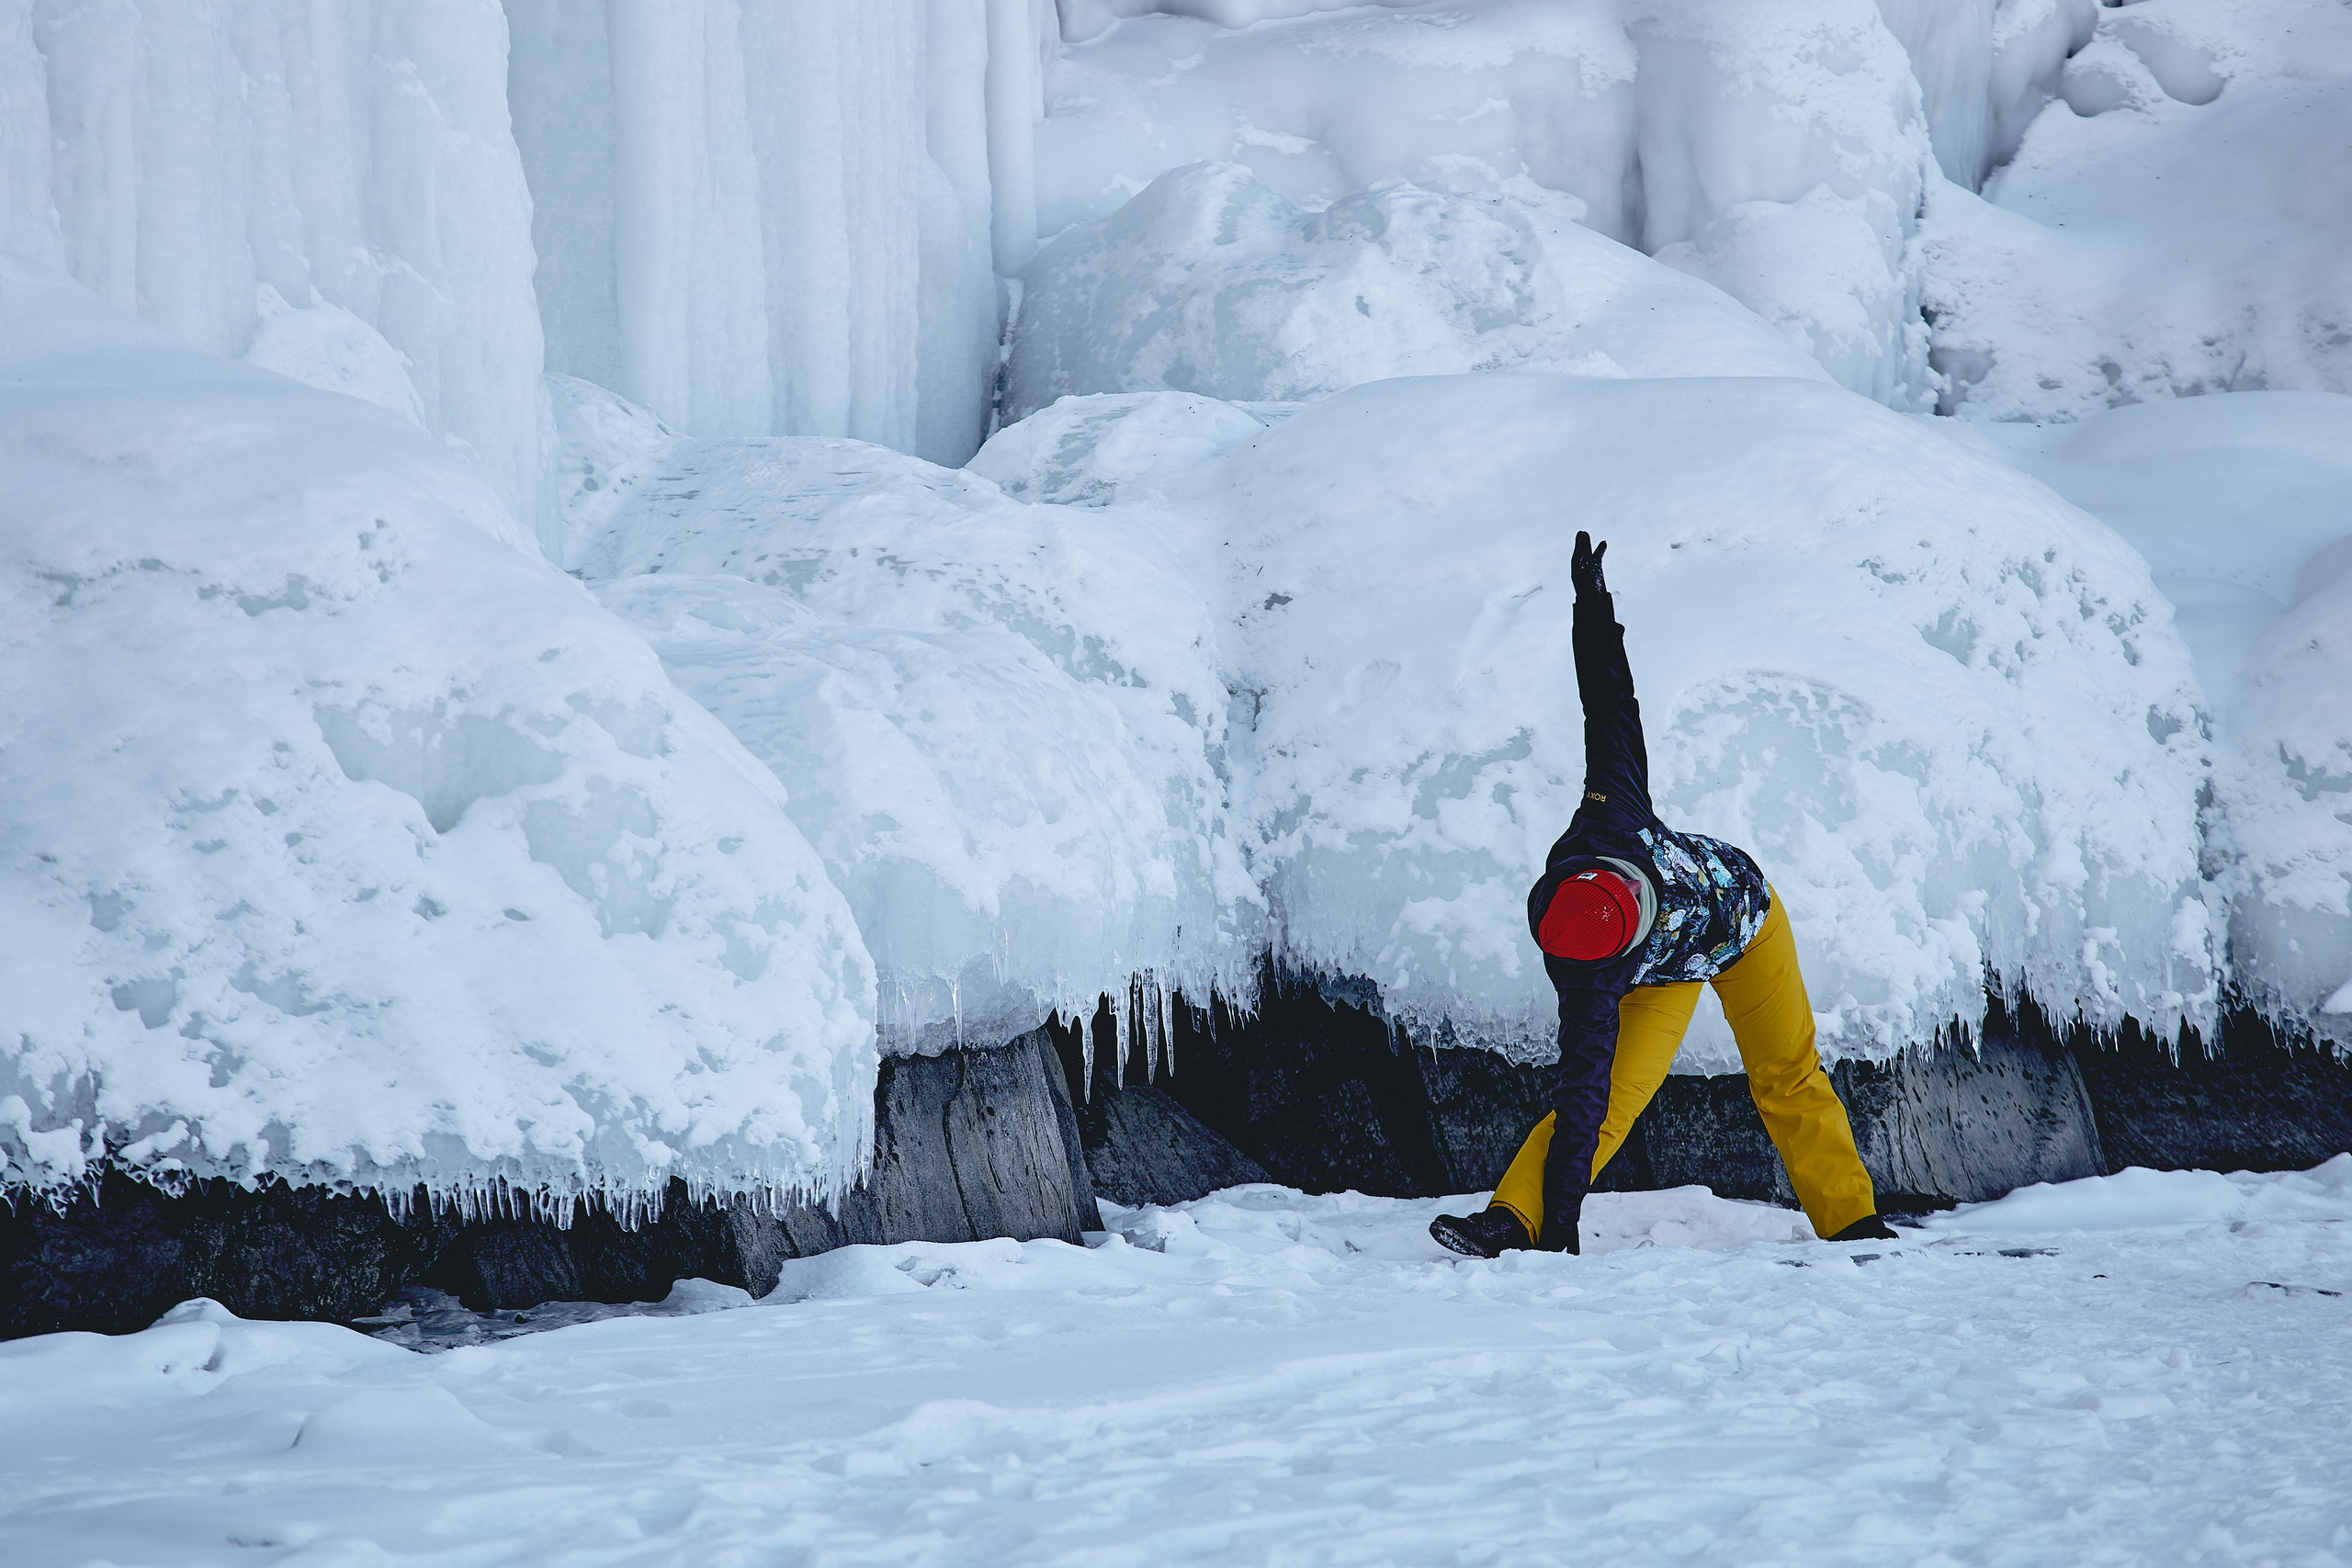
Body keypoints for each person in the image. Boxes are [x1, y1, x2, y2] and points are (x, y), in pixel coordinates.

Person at [1430, 531, 1897, 1258]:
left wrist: (1593, 604)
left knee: (1787, 1074)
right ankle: (1510, 1219)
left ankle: (1853, 1221)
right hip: (1662, 972)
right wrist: (1558, 1227)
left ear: (1631, 899)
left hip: (1746, 921)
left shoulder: (1610, 809)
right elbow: (1582, 1096)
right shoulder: (1581, 957)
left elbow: (1609, 700)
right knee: (1606, 1100)